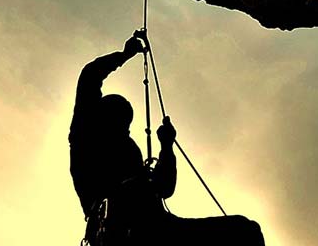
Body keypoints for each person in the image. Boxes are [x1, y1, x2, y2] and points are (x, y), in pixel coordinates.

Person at [70, 32, 265, 245]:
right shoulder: (84, 135)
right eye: (117, 119)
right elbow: (90, 76)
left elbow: (165, 187)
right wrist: (124, 55)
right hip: (114, 228)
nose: (122, 128)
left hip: (158, 225)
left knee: (246, 230)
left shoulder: (129, 150)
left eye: (125, 123)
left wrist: (166, 147)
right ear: (100, 115)